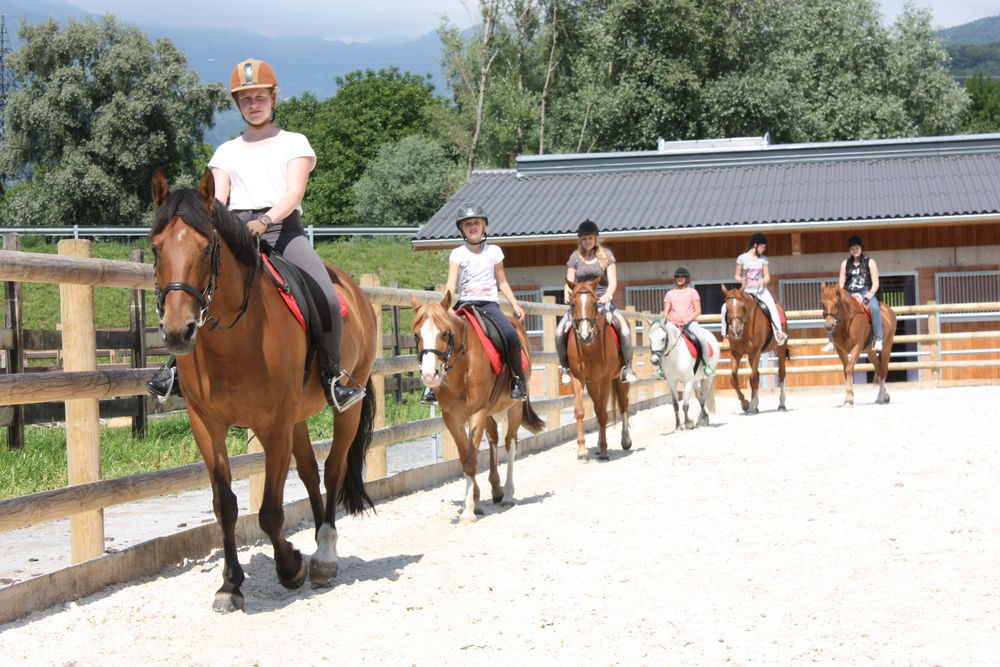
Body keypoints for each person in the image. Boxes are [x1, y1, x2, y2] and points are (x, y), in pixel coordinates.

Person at [148, 58, 364, 411]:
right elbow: (217, 200)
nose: (253, 104)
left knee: (324, 294)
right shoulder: (226, 151)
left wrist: (264, 221)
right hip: (233, 233)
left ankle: (332, 376)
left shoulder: (294, 142)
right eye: (245, 99)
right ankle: (174, 370)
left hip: (282, 230)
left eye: (260, 96)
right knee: (195, 288)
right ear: (238, 104)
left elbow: (293, 193)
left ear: (273, 98)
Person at [419, 204, 529, 405]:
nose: (472, 227)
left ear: (484, 226)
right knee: (439, 335)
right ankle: (432, 387)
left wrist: (515, 304)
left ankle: (517, 380)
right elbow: (451, 284)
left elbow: (502, 281)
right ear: (461, 229)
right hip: (464, 303)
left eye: (476, 223)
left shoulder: (494, 251)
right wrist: (445, 308)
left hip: (489, 304)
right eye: (467, 224)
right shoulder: (457, 254)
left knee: (511, 335)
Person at [555, 220, 638, 385]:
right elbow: (569, 280)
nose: (587, 242)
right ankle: (565, 368)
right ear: (580, 240)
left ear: (596, 239)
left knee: (625, 329)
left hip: (601, 300)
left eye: (590, 238)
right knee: (559, 332)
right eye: (584, 239)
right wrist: (567, 292)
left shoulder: (606, 255)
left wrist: (608, 295)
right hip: (580, 303)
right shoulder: (575, 257)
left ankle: (627, 366)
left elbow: (613, 281)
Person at [822, 235, 884, 352]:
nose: (855, 251)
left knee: (875, 308)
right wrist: (838, 295)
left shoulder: (870, 262)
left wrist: (871, 293)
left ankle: (879, 339)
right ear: (849, 250)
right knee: (833, 309)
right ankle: (831, 341)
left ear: (861, 248)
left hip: (866, 292)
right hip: (849, 293)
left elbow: (876, 282)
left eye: (857, 248)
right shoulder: (845, 263)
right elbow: (841, 283)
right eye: (852, 249)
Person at [732, 232, 787, 345]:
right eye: (762, 246)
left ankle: (779, 332)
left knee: (772, 306)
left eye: (764, 247)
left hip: (760, 291)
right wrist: (740, 279)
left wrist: (763, 281)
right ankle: (726, 335)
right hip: (746, 291)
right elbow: (736, 276)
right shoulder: (742, 258)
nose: (764, 249)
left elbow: (767, 277)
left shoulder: (763, 259)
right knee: (726, 308)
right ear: (755, 245)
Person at [661, 266, 715, 376]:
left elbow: (698, 310)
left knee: (701, 339)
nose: (680, 279)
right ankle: (661, 368)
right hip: (674, 324)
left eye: (682, 277)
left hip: (690, 323)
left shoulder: (692, 292)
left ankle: (706, 365)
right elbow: (666, 310)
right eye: (677, 277)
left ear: (687, 279)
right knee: (662, 340)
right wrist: (665, 319)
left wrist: (688, 319)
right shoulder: (670, 293)